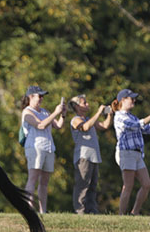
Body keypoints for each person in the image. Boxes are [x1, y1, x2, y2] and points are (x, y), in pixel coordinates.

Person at [21, 85, 66, 214]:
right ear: (31, 97)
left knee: (44, 182)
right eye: (39, 96)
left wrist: (62, 114)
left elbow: (58, 126)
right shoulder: (27, 112)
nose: (41, 98)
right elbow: (40, 125)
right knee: (33, 179)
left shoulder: (45, 112)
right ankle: (29, 210)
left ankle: (43, 211)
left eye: (42, 96)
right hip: (35, 148)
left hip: (48, 148)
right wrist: (56, 113)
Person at [68, 94, 113, 214]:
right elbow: (85, 127)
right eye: (84, 103)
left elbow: (104, 126)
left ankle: (92, 211)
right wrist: (98, 112)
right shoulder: (75, 120)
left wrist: (110, 114)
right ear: (77, 106)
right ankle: (80, 211)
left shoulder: (89, 119)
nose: (87, 104)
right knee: (82, 186)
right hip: (83, 157)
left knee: (92, 187)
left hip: (93, 157)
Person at [111, 88, 150, 215]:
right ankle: (121, 215)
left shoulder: (131, 116)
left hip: (137, 154)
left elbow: (146, 129)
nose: (134, 100)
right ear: (123, 100)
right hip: (126, 153)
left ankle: (135, 212)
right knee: (128, 186)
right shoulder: (119, 116)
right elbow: (135, 125)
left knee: (146, 184)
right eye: (131, 98)